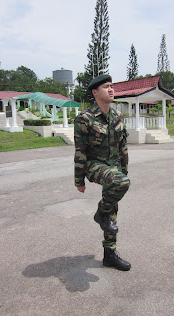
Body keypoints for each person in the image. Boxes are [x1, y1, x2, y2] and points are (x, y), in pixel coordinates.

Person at [74, 74, 131, 271]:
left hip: (114, 169)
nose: (111, 89)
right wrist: (79, 180)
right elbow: (80, 151)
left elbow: (123, 147)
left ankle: (110, 254)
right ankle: (100, 212)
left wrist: (124, 171)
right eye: (106, 86)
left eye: (111, 86)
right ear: (95, 92)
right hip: (95, 166)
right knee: (114, 196)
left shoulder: (118, 116)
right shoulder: (85, 119)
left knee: (112, 214)